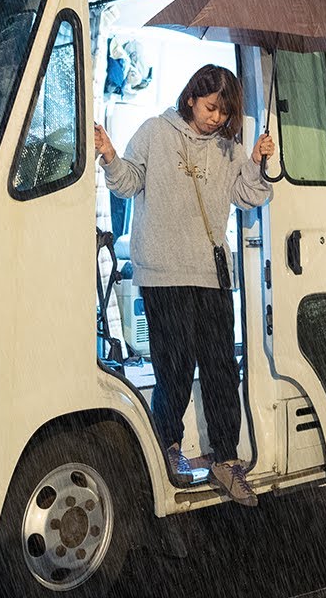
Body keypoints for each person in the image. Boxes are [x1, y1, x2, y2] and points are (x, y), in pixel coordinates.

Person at [94, 64, 275, 506]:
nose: (216, 118)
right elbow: (128, 184)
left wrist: (256, 162)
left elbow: (248, 196)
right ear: (192, 97)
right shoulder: (156, 132)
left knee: (220, 368)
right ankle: (168, 449)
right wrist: (110, 155)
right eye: (211, 107)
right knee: (173, 366)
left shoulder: (229, 148)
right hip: (163, 272)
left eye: (224, 111)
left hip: (211, 275)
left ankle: (226, 460)